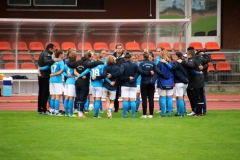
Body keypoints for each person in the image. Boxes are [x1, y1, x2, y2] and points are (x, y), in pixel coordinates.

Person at [108, 53, 150, 118]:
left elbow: (120, 73)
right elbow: (140, 71)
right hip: (133, 85)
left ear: (125, 59)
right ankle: (133, 115)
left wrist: (112, 75)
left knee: (125, 100)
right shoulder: (135, 65)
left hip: (125, 84)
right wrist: (149, 73)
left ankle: (124, 115)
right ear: (130, 58)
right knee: (133, 100)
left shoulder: (123, 65)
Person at [66, 51, 103, 118]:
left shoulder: (77, 62)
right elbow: (92, 64)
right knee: (82, 98)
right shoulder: (87, 63)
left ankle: (79, 112)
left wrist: (78, 76)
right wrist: (101, 62)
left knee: (78, 97)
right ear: (89, 57)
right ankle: (80, 113)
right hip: (84, 83)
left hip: (77, 82)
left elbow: (69, 64)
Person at [139, 50, 168, 118]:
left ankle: (144, 114)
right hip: (151, 83)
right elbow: (158, 71)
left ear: (143, 56)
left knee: (144, 99)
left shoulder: (141, 64)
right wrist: (165, 76)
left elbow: (140, 71)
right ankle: (151, 114)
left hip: (144, 83)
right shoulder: (153, 64)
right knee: (151, 99)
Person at [177, 49, 205, 116]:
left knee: (196, 97)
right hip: (196, 81)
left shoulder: (192, 60)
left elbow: (191, 66)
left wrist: (182, 62)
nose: (185, 58)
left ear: (189, 55)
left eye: (186, 56)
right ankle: (197, 111)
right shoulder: (194, 60)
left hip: (195, 82)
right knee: (196, 97)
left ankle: (198, 112)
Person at [161, 51, 188, 117]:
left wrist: (166, 63)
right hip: (186, 82)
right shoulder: (185, 62)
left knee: (180, 97)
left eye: (175, 56)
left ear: (178, 57)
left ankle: (182, 113)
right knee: (181, 97)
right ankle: (181, 111)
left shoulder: (177, 62)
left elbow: (171, 67)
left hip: (179, 82)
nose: (174, 58)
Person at [37, 43, 58, 114]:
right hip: (45, 75)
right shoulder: (47, 54)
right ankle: (44, 109)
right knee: (45, 93)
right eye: (53, 48)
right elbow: (47, 62)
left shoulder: (42, 53)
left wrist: (39, 70)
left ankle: (39, 109)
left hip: (41, 75)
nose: (54, 50)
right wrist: (54, 60)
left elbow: (39, 63)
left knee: (41, 92)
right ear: (50, 49)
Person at [155, 50, 174, 117]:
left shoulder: (160, 63)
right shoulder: (171, 63)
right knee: (169, 98)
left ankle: (163, 113)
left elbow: (157, 72)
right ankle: (169, 113)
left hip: (162, 82)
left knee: (162, 98)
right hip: (170, 82)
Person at [48, 50, 65, 116]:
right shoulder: (60, 61)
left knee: (52, 96)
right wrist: (54, 74)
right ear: (60, 55)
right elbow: (61, 71)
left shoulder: (53, 61)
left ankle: (52, 111)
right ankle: (57, 112)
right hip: (57, 80)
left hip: (51, 80)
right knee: (57, 96)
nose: (63, 55)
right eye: (63, 54)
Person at [62, 51, 78, 117]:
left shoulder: (66, 64)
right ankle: (71, 113)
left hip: (67, 81)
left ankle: (66, 113)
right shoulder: (74, 64)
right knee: (71, 98)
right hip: (72, 81)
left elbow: (62, 71)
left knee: (66, 97)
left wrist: (67, 75)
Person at [112, 44, 125, 112]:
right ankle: (116, 108)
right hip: (115, 78)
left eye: (121, 48)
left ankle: (125, 108)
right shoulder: (112, 57)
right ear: (116, 49)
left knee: (124, 94)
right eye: (118, 48)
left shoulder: (124, 57)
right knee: (115, 94)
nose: (119, 49)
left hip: (123, 78)